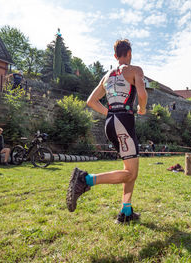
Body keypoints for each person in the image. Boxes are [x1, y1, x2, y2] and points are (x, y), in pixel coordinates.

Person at [66, 39, 148, 224]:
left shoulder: (107, 76)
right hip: (124, 121)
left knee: (130, 169)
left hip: (111, 122)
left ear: (115, 56)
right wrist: (142, 108)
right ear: (129, 53)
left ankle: (126, 211)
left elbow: (91, 101)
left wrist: (109, 112)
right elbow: (142, 94)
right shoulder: (135, 70)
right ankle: (85, 180)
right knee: (131, 173)